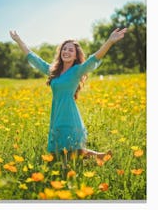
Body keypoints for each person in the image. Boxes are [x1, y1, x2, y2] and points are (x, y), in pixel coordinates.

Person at [9, 28, 127, 161]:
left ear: (76, 56)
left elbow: (94, 58)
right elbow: (35, 59)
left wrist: (110, 41)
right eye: (64, 49)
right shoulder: (53, 71)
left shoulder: (77, 70)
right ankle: (99, 156)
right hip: (57, 113)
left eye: (71, 50)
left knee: (71, 150)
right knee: (56, 154)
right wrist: (18, 40)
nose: (66, 51)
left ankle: (98, 157)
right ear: (60, 52)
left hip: (69, 114)